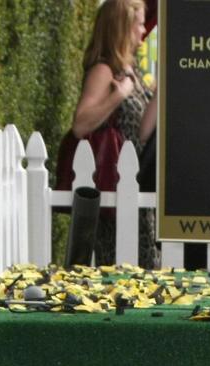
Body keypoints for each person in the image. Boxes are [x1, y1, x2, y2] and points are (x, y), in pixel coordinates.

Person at [59, 0, 158, 267]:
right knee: (121, 266)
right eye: (138, 24)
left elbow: (143, 132)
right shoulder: (104, 70)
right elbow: (81, 124)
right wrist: (118, 95)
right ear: (123, 27)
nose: (142, 31)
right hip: (113, 189)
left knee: (145, 263)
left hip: (133, 186)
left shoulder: (130, 71)